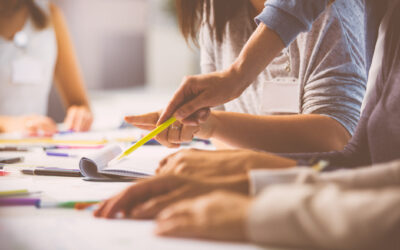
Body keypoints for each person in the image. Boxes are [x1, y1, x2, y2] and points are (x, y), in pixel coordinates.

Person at [94, 1, 400, 249]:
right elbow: (361, 163)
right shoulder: (390, 25)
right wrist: (246, 179)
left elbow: (343, 148)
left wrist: (253, 203)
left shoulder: (351, 16)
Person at [127, 0, 366, 153]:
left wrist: (213, 125)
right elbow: (222, 133)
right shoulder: (215, 9)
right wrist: (204, 124)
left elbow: (336, 138)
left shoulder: (334, 12)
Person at [0, 0, 93, 135]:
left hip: (35, 149)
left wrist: (80, 114)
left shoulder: (51, 15)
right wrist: (8, 124)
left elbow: (79, 103)